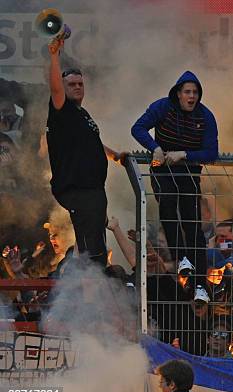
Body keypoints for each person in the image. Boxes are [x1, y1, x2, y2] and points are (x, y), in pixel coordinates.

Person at [131, 71, 219, 277]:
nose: (192, 96)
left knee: (192, 224)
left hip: (189, 172)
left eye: (195, 92)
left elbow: (211, 152)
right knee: (168, 206)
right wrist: (155, 147)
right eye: (187, 92)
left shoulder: (205, 116)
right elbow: (138, 128)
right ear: (178, 93)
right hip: (163, 169)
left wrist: (185, 154)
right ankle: (182, 259)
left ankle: (200, 283)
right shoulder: (163, 107)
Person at [45, 38, 124, 267]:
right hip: (78, 188)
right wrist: (54, 56)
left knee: (96, 243)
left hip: (92, 189)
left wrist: (114, 156)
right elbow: (55, 88)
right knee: (92, 250)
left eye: (80, 84)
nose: (78, 87)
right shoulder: (62, 110)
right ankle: (92, 291)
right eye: (72, 84)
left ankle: (96, 285)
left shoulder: (82, 114)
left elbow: (93, 143)